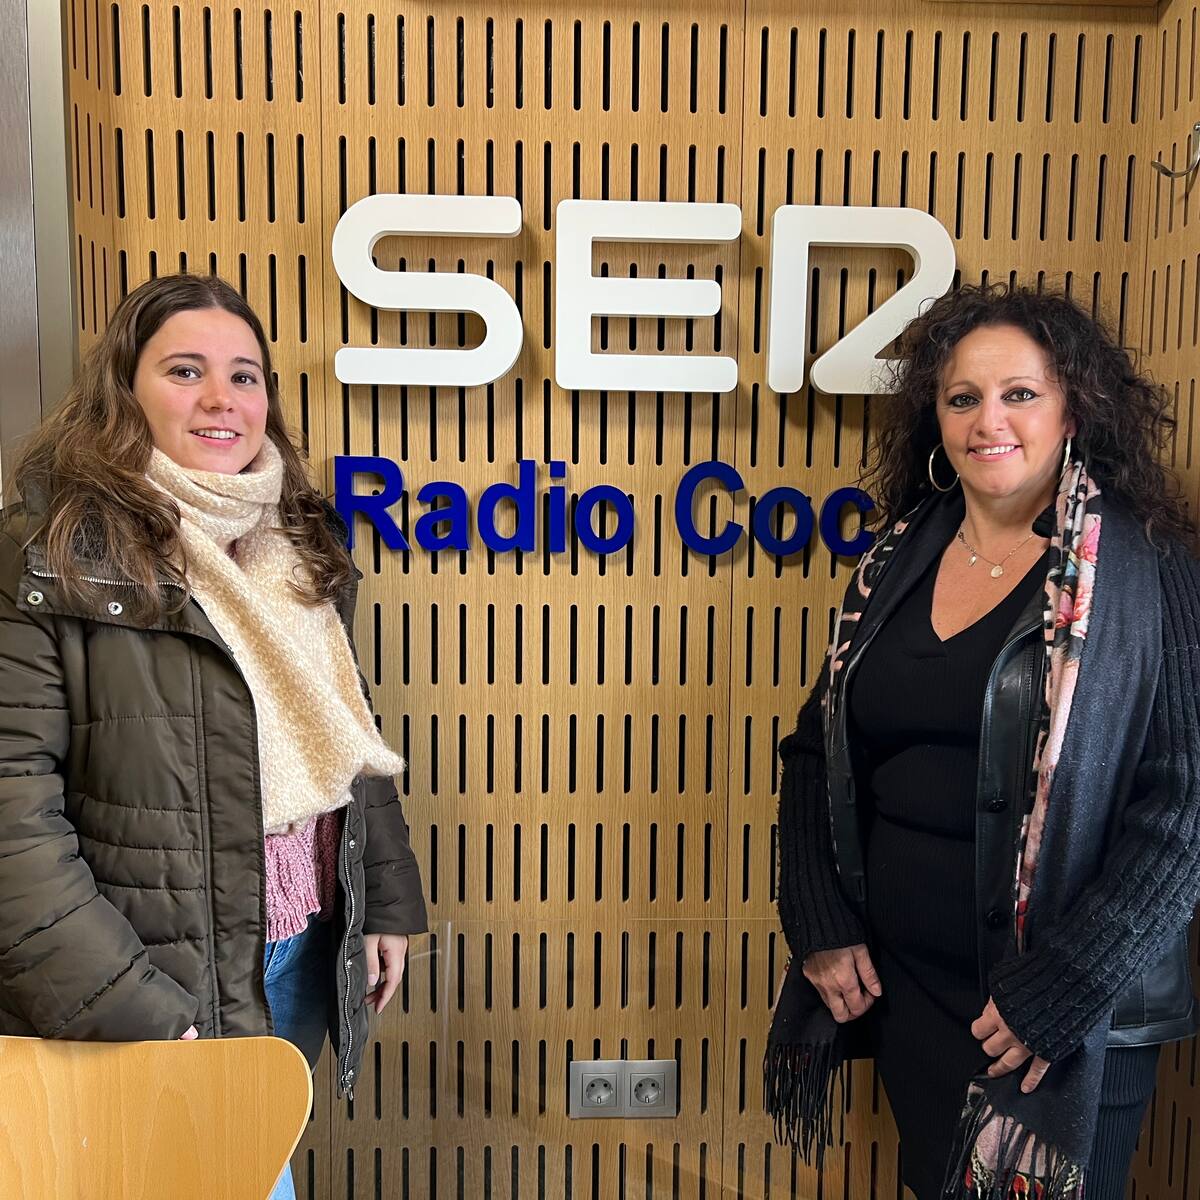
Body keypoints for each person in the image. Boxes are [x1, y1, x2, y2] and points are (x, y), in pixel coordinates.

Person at [764, 284, 1200, 1200]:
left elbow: (1186, 808)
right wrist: (820, 920)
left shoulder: (1148, 568)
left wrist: (1066, 986)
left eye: (1020, 394)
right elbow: (817, 749)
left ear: (1075, 409)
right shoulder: (895, 559)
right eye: (963, 397)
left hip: (1064, 1007)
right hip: (911, 989)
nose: (987, 421)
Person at [0, 273, 428, 1200]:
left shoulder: (293, 540)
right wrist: (137, 1010)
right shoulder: (52, 552)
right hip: (157, 970)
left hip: (302, 942)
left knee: (253, 1164)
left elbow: (346, 729)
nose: (221, 399)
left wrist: (383, 903)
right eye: (185, 370)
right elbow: (11, 826)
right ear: (124, 388)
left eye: (244, 376)